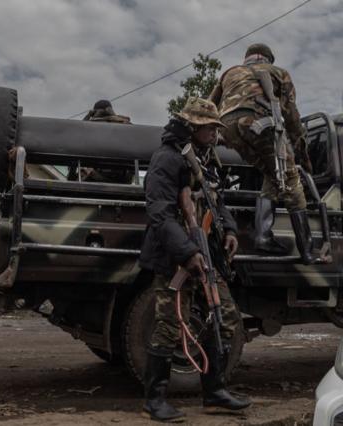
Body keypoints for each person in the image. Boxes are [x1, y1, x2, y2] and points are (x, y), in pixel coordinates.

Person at [139, 97, 250, 422]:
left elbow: (218, 200)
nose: (216, 133)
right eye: (210, 128)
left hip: (209, 254)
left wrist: (229, 230)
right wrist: (187, 253)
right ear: (193, 127)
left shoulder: (205, 159)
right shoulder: (167, 159)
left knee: (224, 318)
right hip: (175, 258)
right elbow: (159, 213)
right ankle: (154, 401)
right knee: (169, 326)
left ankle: (215, 393)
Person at [209, 43, 314, 263]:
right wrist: (300, 149)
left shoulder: (229, 73)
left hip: (226, 128)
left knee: (271, 172)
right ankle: (308, 251)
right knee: (291, 179)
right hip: (258, 122)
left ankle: (264, 236)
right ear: (268, 58)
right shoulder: (278, 73)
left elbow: (209, 104)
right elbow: (291, 115)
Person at [68, 100, 133, 183]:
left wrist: (88, 116)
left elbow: (75, 136)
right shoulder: (124, 125)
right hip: (121, 178)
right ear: (110, 110)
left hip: (93, 177)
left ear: (95, 112)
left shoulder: (89, 126)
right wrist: (114, 116)